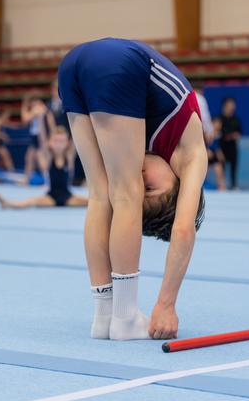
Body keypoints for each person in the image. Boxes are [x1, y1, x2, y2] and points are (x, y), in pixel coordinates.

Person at [58, 37, 207, 341]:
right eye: (151, 186)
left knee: (102, 194)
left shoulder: (141, 144)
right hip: (118, 61)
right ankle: (125, 318)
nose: (141, 178)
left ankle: (103, 316)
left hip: (71, 66)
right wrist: (166, 304)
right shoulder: (193, 157)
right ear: (178, 190)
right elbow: (183, 229)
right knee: (125, 192)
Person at [0, 126, 88, 209]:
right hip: (50, 197)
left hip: (68, 197)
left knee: (91, 202)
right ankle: (8, 204)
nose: (59, 144)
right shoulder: (48, 157)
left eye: (62, 141)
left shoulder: (69, 157)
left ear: (67, 143)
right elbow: (42, 140)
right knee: (31, 200)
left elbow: (77, 138)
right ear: (50, 142)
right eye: (56, 141)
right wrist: (40, 119)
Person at [21, 92, 48, 184]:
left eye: (31, 102)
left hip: (40, 136)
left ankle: (47, 180)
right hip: (34, 135)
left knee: (41, 159)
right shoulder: (35, 108)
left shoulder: (39, 108)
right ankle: (26, 180)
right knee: (29, 158)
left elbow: (25, 118)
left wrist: (24, 105)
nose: (31, 104)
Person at [219, 97, 242, 190]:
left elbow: (239, 132)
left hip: (233, 147)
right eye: (230, 105)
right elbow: (220, 133)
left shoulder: (236, 119)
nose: (232, 107)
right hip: (222, 147)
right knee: (221, 167)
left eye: (233, 105)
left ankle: (233, 185)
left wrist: (232, 136)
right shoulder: (220, 119)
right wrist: (228, 135)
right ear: (225, 106)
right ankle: (221, 185)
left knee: (234, 166)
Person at [207, 117, 226, 191]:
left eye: (220, 124)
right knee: (204, 173)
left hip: (214, 156)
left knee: (219, 171)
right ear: (212, 123)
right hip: (206, 155)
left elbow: (217, 147)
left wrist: (220, 154)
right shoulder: (207, 133)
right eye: (216, 123)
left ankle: (221, 186)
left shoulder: (220, 134)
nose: (218, 125)